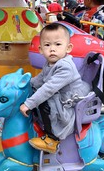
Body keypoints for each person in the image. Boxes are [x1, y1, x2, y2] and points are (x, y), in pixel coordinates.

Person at [19, 23, 91, 153]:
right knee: (38, 93)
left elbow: (48, 88)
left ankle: (52, 139)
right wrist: (26, 84)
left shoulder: (65, 66)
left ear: (68, 48)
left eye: (58, 44)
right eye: (47, 45)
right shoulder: (50, 63)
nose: (52, 49)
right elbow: (40, 79)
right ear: (41, 49)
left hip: (70, 99)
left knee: (46, 101)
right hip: (61, 93)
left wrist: (29, 104)